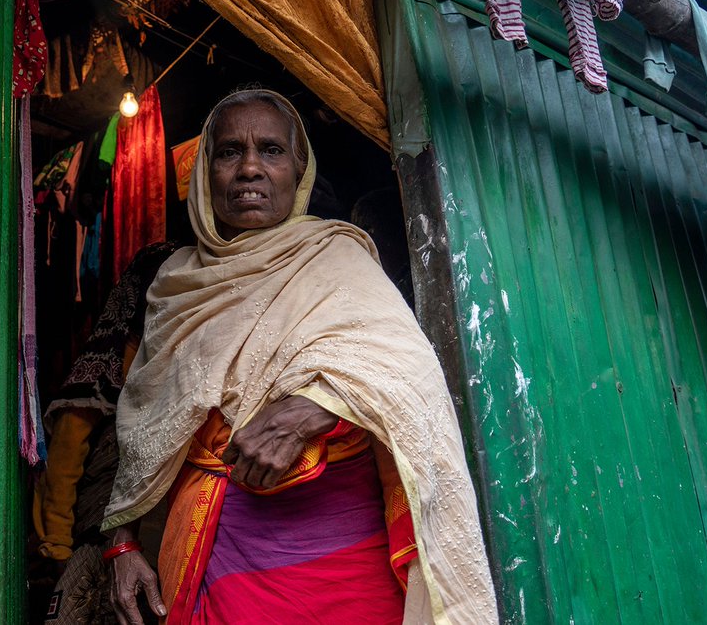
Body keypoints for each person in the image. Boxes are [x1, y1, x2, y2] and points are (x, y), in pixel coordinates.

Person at [102, 89, 497, 624]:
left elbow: (409, 380)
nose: (249, 168)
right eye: (228, 152)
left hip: (342, 563)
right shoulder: (174, 283)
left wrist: (316, 407)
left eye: (271, 150)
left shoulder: (338, 259)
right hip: (215, 560)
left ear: (299, 171)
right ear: (204, 173)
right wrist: (122, 544)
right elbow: (146, 429)